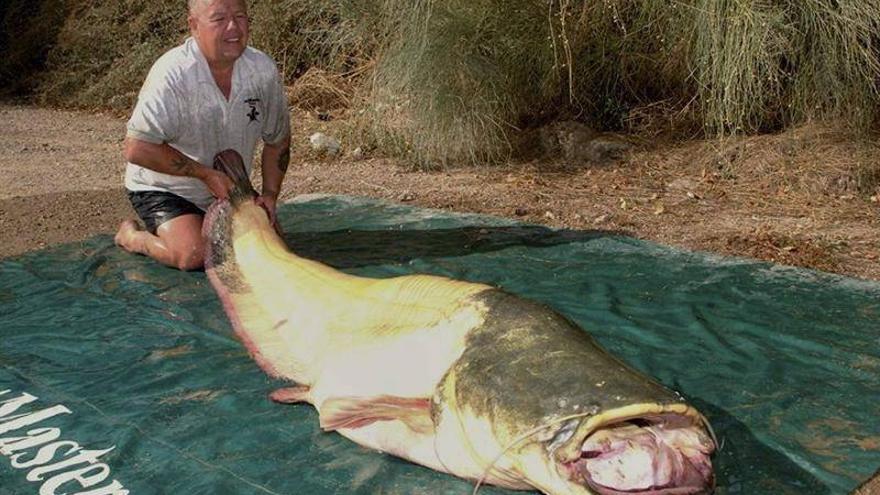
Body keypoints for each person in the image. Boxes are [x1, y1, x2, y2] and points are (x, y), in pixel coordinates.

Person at [114, 0, 291, 270]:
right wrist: (206, 175)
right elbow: (137, 148)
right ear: (194, 26)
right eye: (219, 19)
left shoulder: (262, 70)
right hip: (164, 186)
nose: (233, 27)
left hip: (229, 183)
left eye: (240, 16)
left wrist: (269, 196)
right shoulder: (172, 74)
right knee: (193, 255)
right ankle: (133, 238)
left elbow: (278, 141)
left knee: (273, 250)